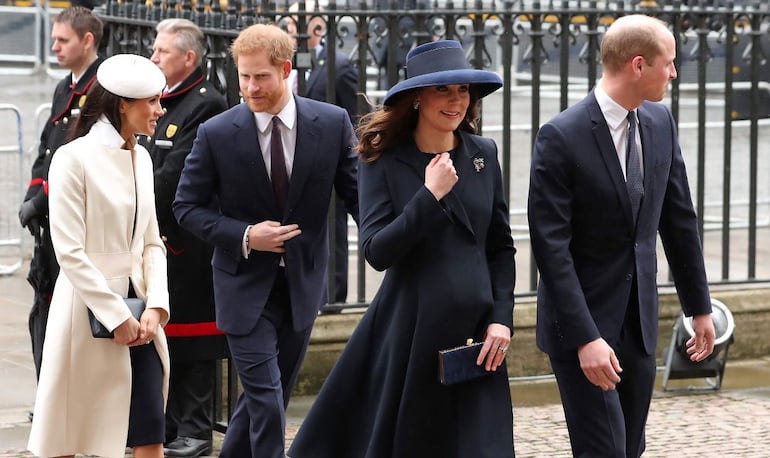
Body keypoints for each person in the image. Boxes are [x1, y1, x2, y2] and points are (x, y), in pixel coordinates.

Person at [288, 40, 515, 458]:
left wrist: (502, 319)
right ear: (416, 98)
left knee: (486, 446)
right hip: (415, 331)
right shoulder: (382, 160)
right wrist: (429, 197)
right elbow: (377, 251)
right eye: (443, 91)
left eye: (463, 90)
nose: (456, 101)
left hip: (479, 336)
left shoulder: (483, 154)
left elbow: (501, 247)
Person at [527, 14, 717, 458]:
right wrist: (585, 339)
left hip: (639, 327)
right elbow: (551, 250)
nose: (673, 72)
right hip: (582, 329)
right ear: (638, 65)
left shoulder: (659, 122)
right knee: (604, 450)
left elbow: (679, 220)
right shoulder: (560, 136)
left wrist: (699, 307)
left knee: (630, 448)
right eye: (668, 63)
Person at [172, 23, 359, 457]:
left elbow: (357, 197)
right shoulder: (216, 133)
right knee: (267, 402)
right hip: (241, 285)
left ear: (285, 70)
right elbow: (187, 207)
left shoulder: (331, 124)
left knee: (260, 402)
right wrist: (245, 235)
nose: (250, 87)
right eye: (243, 76)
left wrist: (390, 239)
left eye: (261, 77)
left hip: (301, 287)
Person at [27, 54, 171, 458]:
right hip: (84, 317)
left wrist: (156, 307)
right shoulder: (72, 159)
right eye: (152, 102)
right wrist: (116, 316)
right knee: (67, 437)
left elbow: (150, 242)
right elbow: (69, 252)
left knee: (149, 434)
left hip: (139, 315)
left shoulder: (141, 156)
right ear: (122, 103)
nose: (160, 110)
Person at [141, 18, 229, 457]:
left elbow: (172, 175)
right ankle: (170, 422)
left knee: (193, 335)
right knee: (165, 333)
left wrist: (136, 201)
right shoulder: (163, 100)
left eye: (162, 52)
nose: (153, 57)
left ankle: (195, 428)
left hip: (186, 240)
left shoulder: (205, 104)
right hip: (158, 237)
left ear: (188, 58)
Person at [18, 5, 104, 383]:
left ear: (87, 41)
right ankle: (52, 387)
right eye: (53, 39)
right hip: (52, 218)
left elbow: (84, 157)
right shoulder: (64, 85)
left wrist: (45, 198)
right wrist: (34, 194)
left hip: (78, 217)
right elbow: (47, 148)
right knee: (46, 306)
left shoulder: (100, 89)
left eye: (62, 40)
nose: (53, 47)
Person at [287, 1, 361, 305]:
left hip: (328, 166)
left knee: (334, 234)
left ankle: (334, 297)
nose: (291, 32)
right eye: (289, 26)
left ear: (317, 28)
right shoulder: (293, 65)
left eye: (295, 26)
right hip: (293, 167)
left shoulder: (339, 65)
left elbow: (355, 118)